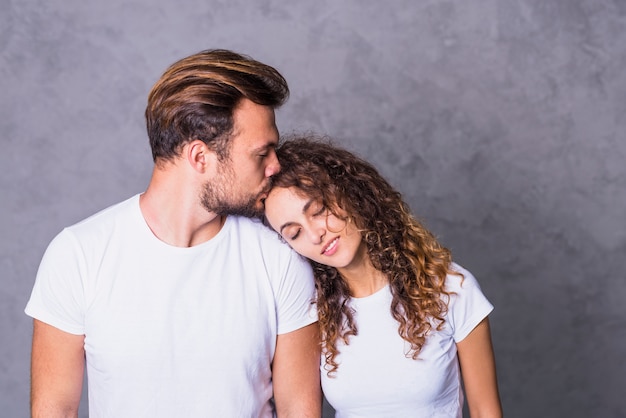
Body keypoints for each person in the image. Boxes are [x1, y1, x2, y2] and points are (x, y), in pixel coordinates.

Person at [25, 50, 321, 417]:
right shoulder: (78, 255)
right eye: (262, 153)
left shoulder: (280, 257)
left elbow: (300, 410)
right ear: (200, 157)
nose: (276, 166)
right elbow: (55, 410)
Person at [263, 135, 503, 418]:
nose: (316, 235)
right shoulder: (313, 312)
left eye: (319, 210)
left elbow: (485, 411)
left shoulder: (449, 288)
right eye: (295, 233)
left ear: (350, 192)